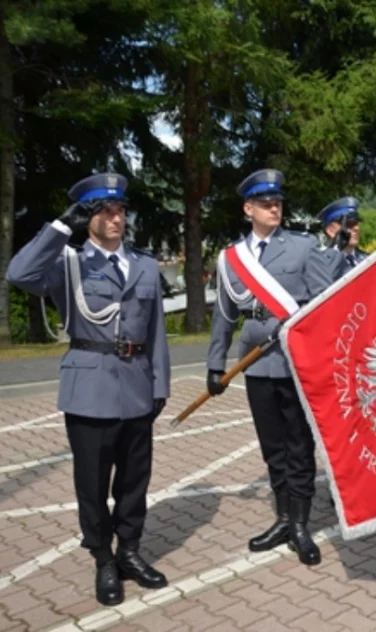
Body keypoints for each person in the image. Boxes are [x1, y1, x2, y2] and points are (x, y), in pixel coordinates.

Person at [6, 173, 170, 606]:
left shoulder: (146, 265)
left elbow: (156, 331)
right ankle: (103, 559)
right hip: (88, 390)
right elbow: (18, 273)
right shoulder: (68, 262)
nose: (117, 218)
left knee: (135, 482)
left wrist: (160, 384)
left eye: (121, 211)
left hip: (137, 386)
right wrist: (62, 226)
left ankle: (130, 552)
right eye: (105, 211)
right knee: (92, 485)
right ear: (89, 218)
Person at [206, 169, 344, 566]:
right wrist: (215, 364)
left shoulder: (303, 247)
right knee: (273, 448)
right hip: (255, 364)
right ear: (248, 208)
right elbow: (225, 315)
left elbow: (325, 297)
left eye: (278, 201)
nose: (274, 207)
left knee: (300, 446)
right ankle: (283, 518)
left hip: (296, 363)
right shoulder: (232, 257)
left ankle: (301, 525)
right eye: (266, 203)